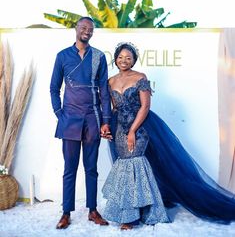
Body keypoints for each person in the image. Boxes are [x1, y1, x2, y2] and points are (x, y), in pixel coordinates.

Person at [102, 42, 235, 230]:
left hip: (139, 128)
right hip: (119, 129)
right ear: (115, 58)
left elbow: (145, 106)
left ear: (133, 60)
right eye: (121, 57)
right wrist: (108, 127)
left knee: (135, 164)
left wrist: (132, 131)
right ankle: (130, 211)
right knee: (124, 166)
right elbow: (114, 107)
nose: (124, 60)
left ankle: (137, 216)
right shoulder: (111, 81)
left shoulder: (140, 77)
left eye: (128, 58)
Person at [50, 17, 111, 229]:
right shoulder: (62, 56)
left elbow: (104, 91)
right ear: (76, 29)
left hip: (92, 119)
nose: (87, 31)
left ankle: (93, 210)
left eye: (90, 29)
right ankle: (66, 213)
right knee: (69, 168)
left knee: (91, 168)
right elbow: (53, 88)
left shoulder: (98, 57)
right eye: (83, 27)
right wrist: (60, 113)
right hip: (70, 119)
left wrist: (105, 121)